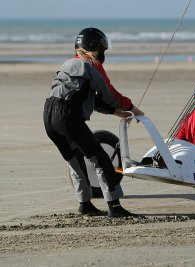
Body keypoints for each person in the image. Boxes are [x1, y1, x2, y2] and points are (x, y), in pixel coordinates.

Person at [43, 27, 144, 217]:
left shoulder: (68, 64)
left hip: (48, 116)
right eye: (102, 49)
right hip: (67, 116)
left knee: (75, 159)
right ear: (95, 47)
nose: (103, 53)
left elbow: (89, 100)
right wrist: (132, 108)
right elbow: (109, 94)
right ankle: (115, 207)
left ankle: (85, 204)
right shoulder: (90, 65)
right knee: (100, 159)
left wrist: (118, 113)